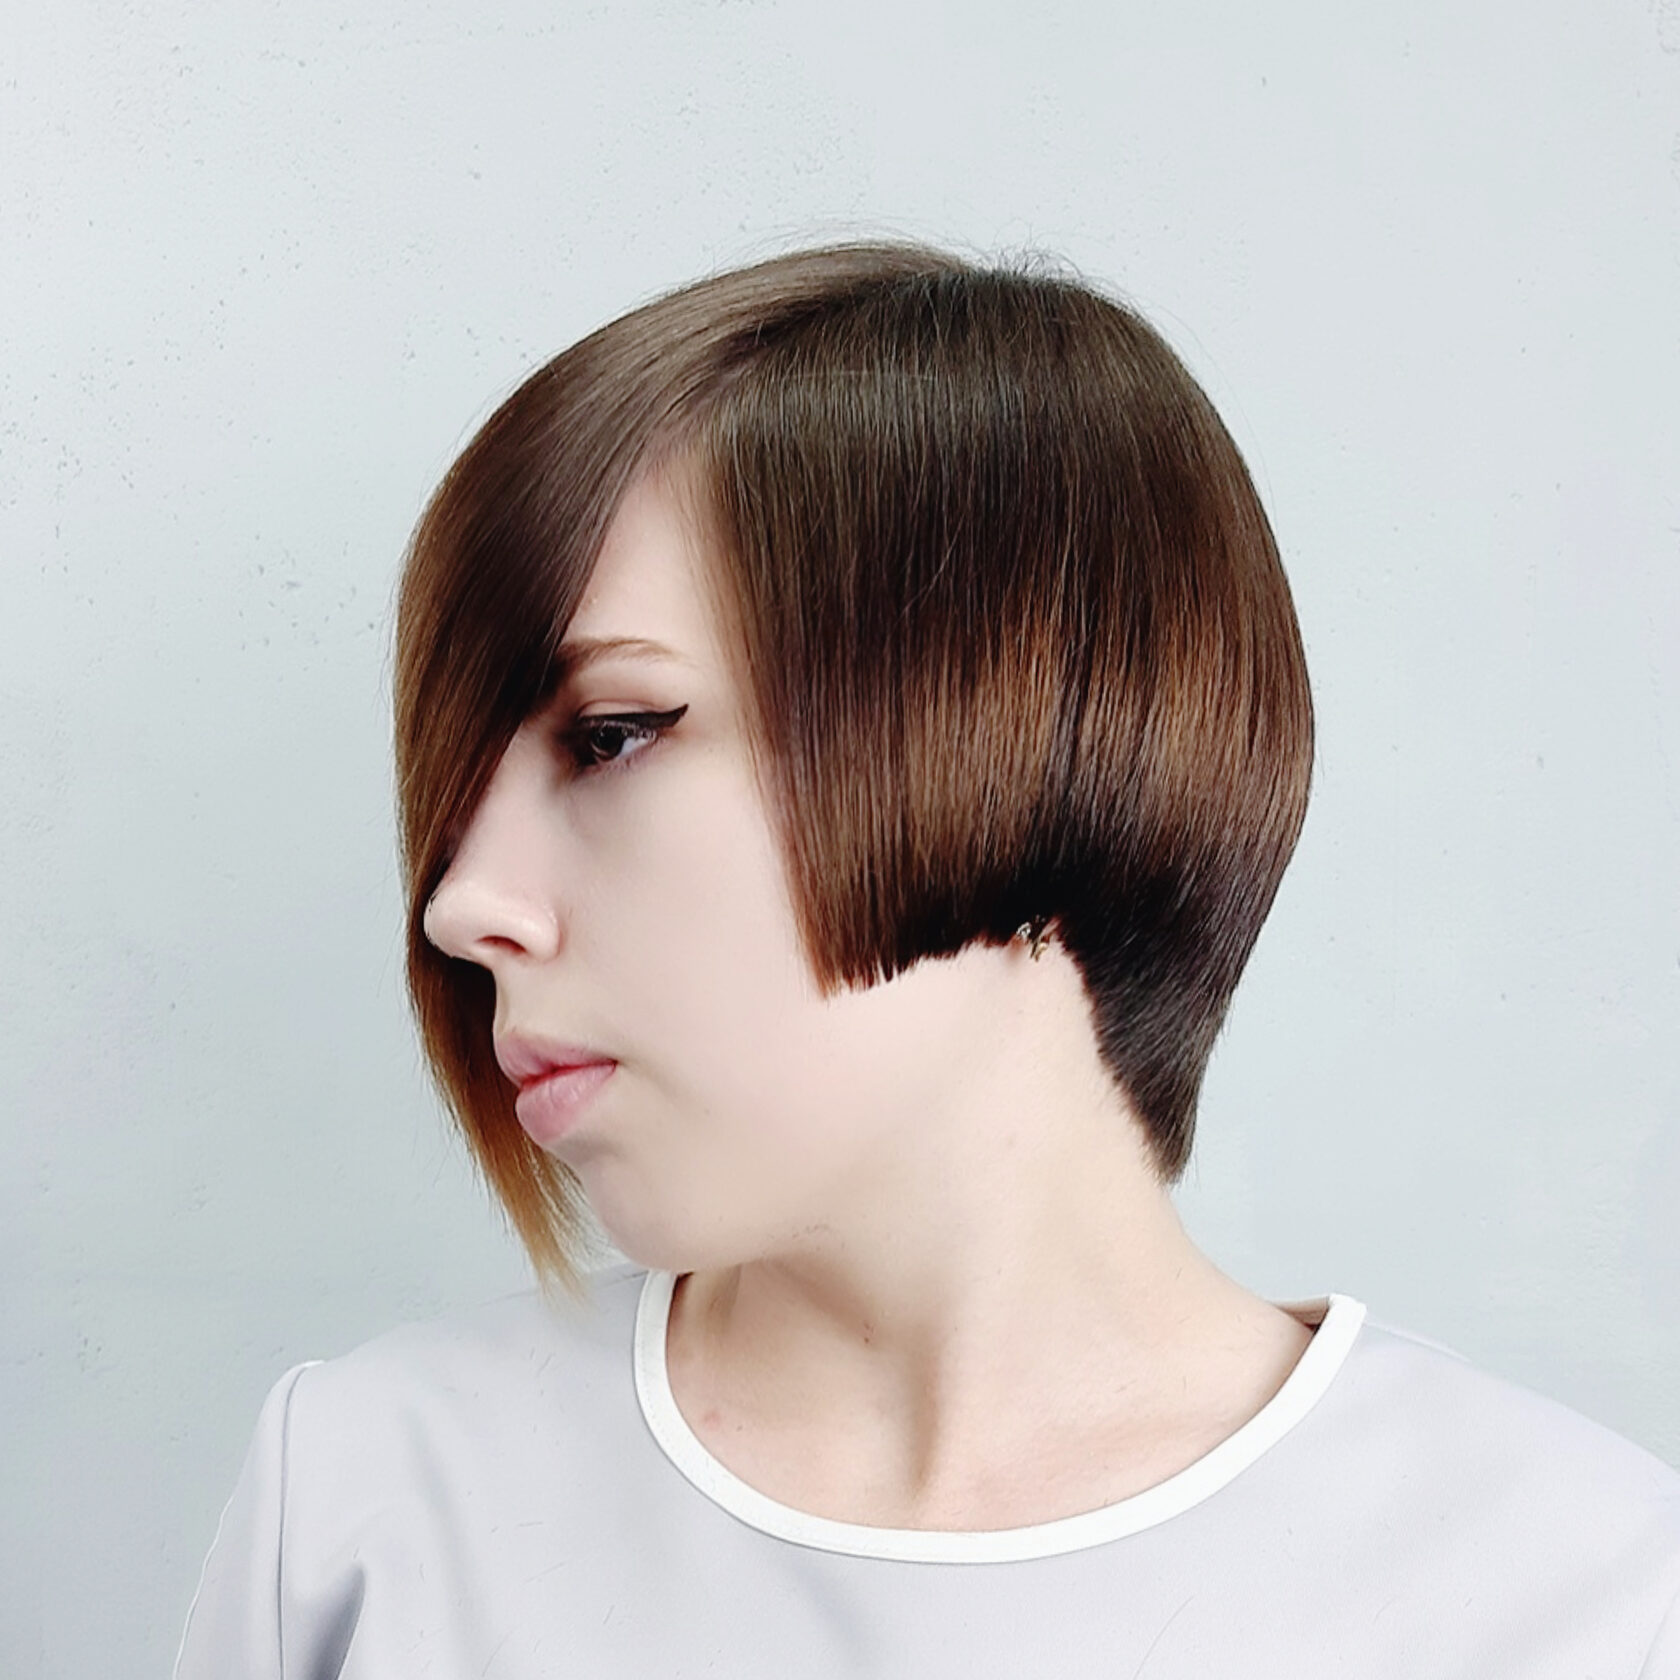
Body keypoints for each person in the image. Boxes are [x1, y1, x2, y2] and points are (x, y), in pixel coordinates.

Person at [174, 242, 1680, 1678]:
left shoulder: (1587, 1599)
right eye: (458, 790)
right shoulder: (368, 1505)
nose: (459, 906)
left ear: (1013, 715)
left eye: (612, 735)